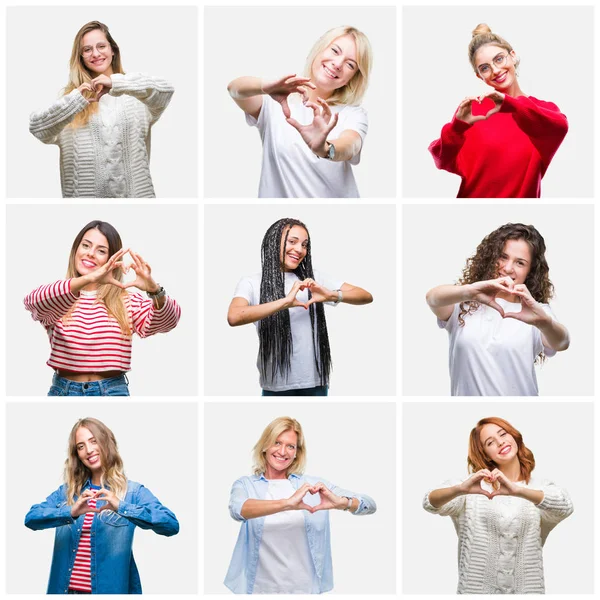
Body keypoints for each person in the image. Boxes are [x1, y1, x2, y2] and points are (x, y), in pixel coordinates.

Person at [24, 220, 181, 396]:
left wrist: (154, 290)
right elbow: (32, 302)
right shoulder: (59, 296)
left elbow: (169, 321)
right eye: (85, 245)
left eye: (101, 251)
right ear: (75, 250)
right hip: (64, 391)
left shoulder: (126, 300)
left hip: (112, 391)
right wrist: (89, 279)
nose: (90, 254)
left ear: (111, 259)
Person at [25, 417, 179, 594]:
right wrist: (71, 511)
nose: (88, 450)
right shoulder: (67, 492)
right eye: (81, 446)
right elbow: (31, 518)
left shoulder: (132, 493)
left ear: (106, 442)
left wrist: (121, 507)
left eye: (93, 441)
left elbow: (171, 524)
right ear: (77, 455)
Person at [225, 416, 376, 594]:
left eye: (291, 446)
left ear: (297, 452)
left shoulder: (313, 486)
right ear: (265, 446)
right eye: (277, 443)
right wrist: (287, 504)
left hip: (305, 590)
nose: (283, 451)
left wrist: (341, 503)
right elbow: (238, 509)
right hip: (259, 589)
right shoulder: (245, 485)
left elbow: (370, 505)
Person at [423, 416, 573, 594]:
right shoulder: (472, 489)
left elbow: (565, 506)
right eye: (490, 442)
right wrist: (460, 489)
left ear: (514, 436)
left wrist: (518, 491)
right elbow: (430, 502)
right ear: (485, 454)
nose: (501, 442)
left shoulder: (540, 487)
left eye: (503, 434)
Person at [227, 217, 373, 395]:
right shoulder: (251, 282)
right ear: (274, 242)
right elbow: (234, 317)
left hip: (315, 383)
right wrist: (284, 302)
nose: (300, 249)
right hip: (275, 385)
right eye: (292, 242)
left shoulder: (313, 279)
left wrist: (332, 294)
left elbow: (366, 296)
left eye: (304, 245)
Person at [29, 21, 173, 198]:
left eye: (101, 46)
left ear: (113, 50)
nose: (95, 54)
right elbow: (37, 128)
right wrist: (76, 100)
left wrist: (117, 83)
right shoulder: (71, 101)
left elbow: (166, 91)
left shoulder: (137, 97)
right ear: (80, 56)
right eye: (87, 49)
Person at [227, 26, 372, 198]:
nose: (337, 64)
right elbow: (234, 89)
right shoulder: (276, 101)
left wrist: (325, 149)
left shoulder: (353, 114)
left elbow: (351, 145)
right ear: (320, 49)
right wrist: (265, 86)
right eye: (334, 51)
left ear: (353, 78)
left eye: (350, 64)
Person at [426, 223, 569, 396]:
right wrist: (469, 291)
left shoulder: (535, 311)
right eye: (502, 257)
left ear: (530, 271)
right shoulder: (463, 302)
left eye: (520, 263)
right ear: (490, 256)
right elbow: (432, 298)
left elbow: (562, 342)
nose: (508, 268)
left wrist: (544, 322)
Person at [428, 23, 568, 198]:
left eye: (499, 59)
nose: (495, 70)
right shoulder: (474, 112)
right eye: (485, 68)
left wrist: (511, 105)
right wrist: (457, 127)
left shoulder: (540, 111)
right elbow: (441, 160)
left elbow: (560, 127)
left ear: (513, 56)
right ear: (480, 76)